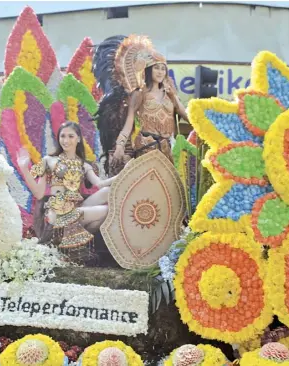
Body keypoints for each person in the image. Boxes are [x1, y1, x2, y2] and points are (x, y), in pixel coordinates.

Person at [17, 121, 118, 263]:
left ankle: (73, 241)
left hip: (76, 209)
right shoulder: (49, 160)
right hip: (57, 213)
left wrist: (123, 174)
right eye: (62, 136)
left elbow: (100, 184)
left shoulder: (83, 164)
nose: (66, 140)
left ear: (78, 139)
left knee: (108, 191)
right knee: (105, 210)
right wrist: (24, 168)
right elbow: (39, 194)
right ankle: (67, 240)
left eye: (70, 136)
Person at [93, 35, 189, 177]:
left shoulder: (170, 94)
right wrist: (120, 146)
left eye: (163, 69)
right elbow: (129, 123)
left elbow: (187, 116)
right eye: (156, 68)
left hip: (167, 150)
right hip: (146, 148)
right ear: (149, 70)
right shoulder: (139, 94)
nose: (160, 72)